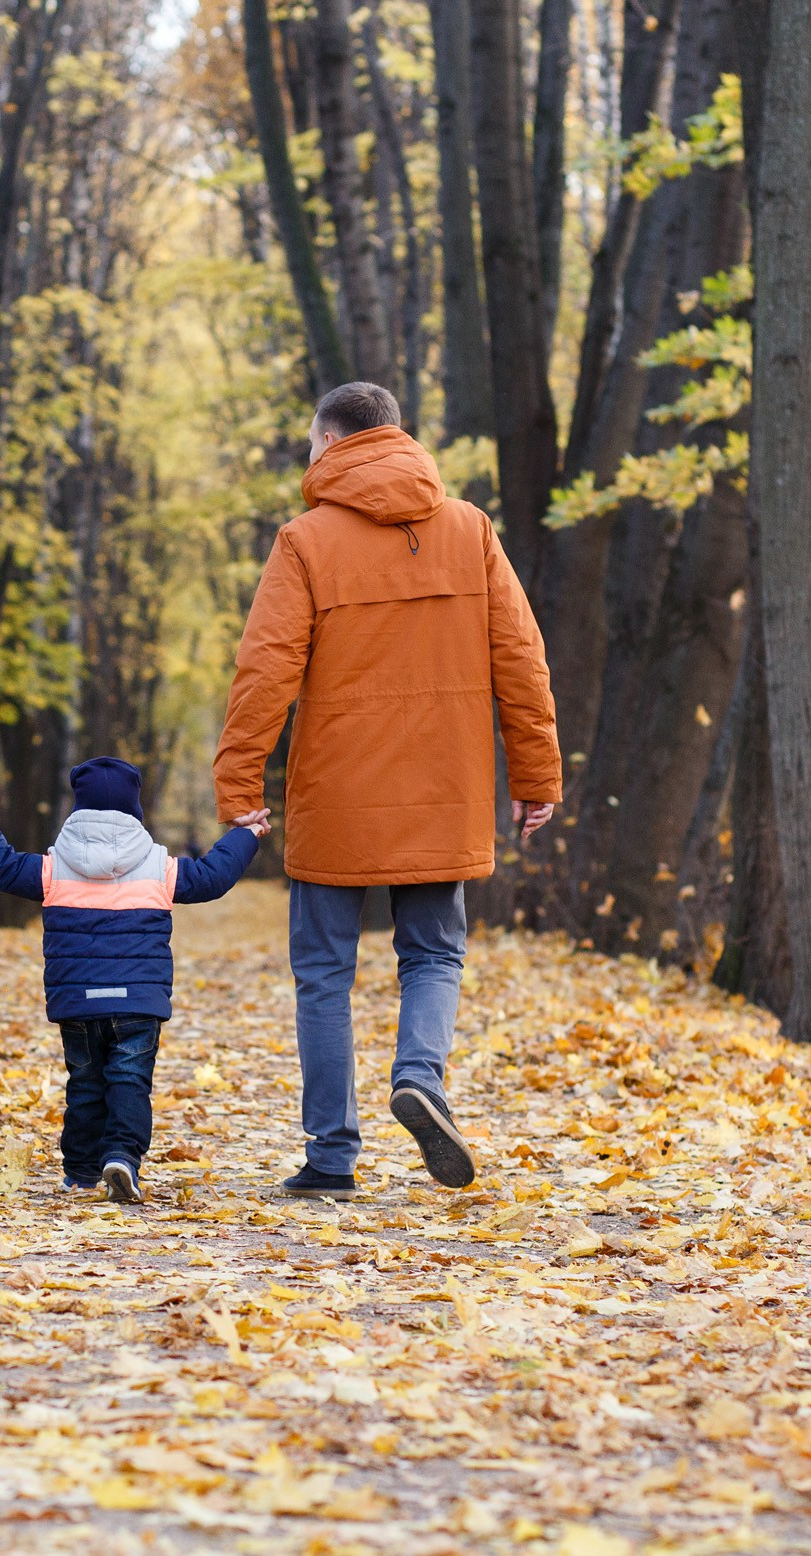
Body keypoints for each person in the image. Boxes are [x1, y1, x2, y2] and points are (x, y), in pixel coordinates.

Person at [211, 382, 559, 1194]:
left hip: (336, 794)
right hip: (448, 786)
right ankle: (420, 1079)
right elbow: (521, 656)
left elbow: (264, 673)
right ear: (396, 436)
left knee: (325, 974)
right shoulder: (469, 530)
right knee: (434, 953)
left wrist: (240, 790)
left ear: (330, 445)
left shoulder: (305, 541)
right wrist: (536, 772)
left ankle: (331, 1157)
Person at [0, 757, 268, 1203]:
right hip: (138, 1002)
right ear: (134, 809)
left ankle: (79, 1172)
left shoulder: (54, 866)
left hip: (78, 1001)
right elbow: (213, 877)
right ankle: (121, 1156)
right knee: (129, 1080)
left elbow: (0, 865)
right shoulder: (159, 866)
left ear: (77, 810)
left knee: (84, 1083)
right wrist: (246, 833)